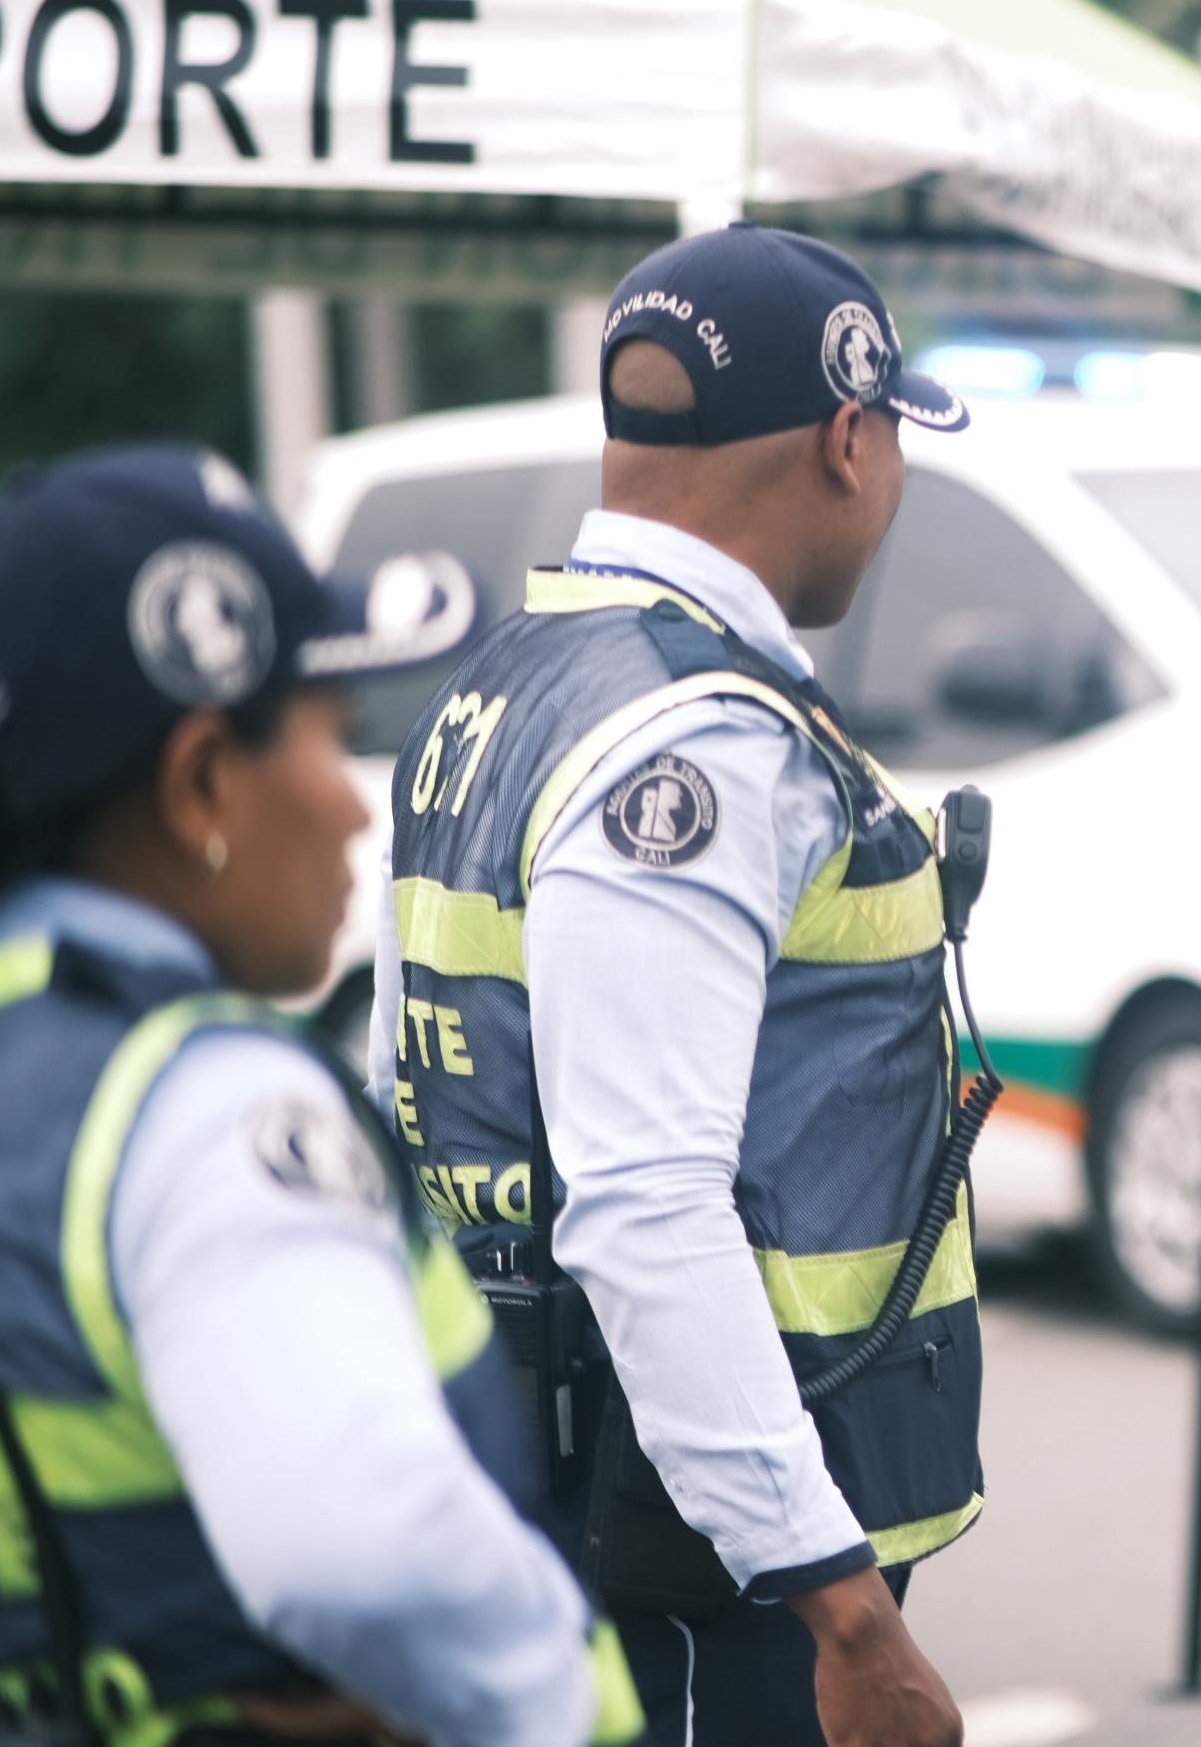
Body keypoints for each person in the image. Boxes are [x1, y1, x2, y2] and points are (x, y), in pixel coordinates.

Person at [371, 226, 981, 1746]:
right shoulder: (695, 740)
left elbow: (409, 1061)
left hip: (563, 1471)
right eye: (896, 436)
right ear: (851, 437)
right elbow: (646, 1203)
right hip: (719, 1574)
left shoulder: (515, 674)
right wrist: (838, 1604)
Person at [0, 445, 637, 1745]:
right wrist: (558, 1704)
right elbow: (360, 1544)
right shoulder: (201, 1111)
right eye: (328, 739)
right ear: (203, 781)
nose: (352, 810)